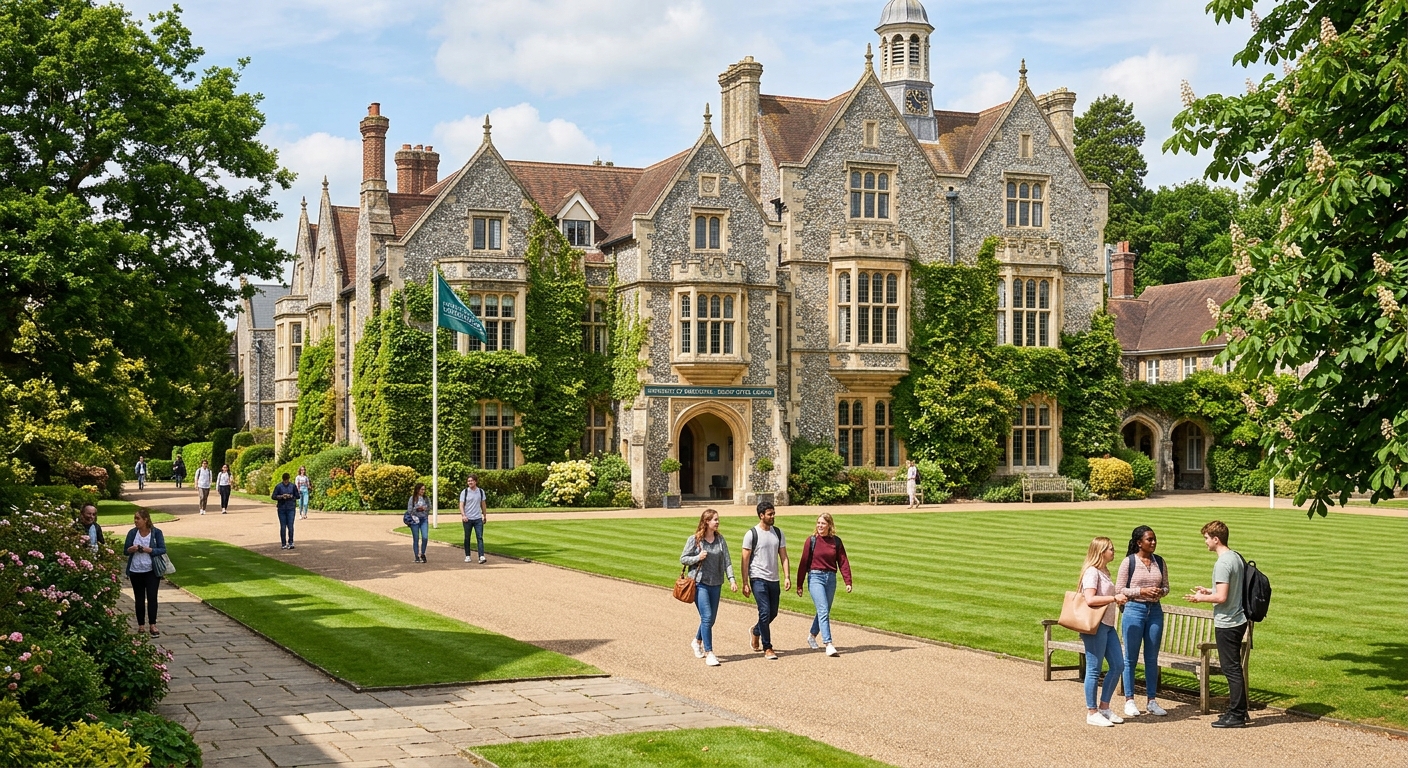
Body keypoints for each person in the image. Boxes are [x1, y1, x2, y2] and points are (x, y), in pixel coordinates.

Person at [1186, 520, 1249, 728]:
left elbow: (1222, 597)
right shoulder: (1235, 557)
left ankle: (1237, 714)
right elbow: (1228, 591)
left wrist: (1199, 598)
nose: (1205, 542)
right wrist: (1208, 591)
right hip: (1238, 619)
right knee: (1234, 668)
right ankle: (1239, 711)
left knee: (1231, 669)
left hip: (1228, 622)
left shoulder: (1222, 563)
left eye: (1206, 538)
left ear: (1216, 539)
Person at [1116, 525, 1170, 718]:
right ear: (1139, 542)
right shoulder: (1128, 562)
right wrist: (1141, 592)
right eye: (1150, 540)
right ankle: (1129, 700)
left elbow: (1166, 587)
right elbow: (1119, 590)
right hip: (1134, 610)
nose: (1154, 542)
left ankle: (1152, 700)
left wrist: (1159, 592)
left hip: (1154, 611)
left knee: (1151, 658)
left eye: (1155, 539)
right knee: (1130, 657)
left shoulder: (1160, 562)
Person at [1079, 536, 1128, 727]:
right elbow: (1090, 599)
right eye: (1111, 549)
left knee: (1118, 665)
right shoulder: (1092, 572)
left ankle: (1104, 707)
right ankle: (1092, 711)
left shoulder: (1105, 571)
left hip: (1107, 625)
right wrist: (1113, 598)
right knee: (1094, 668)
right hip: (1095, 626)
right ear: (1101, 552)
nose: (1113, 552)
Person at [680, 508, 737, 667]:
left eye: (718, 519)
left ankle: (696, 641)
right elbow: (683, 558)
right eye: (715, 520)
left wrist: (732, 579)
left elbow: (727, 561)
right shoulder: (695, 539)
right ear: (706, 522)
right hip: (700, 583)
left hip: (716, 583)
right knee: (707, 617)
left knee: (710, 619)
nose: (718, 522)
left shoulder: (720, 540)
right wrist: (698, 557)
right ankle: (710, 652)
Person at [795, 512, 852, 657]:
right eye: (818, 523)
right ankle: (828, 644)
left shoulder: (836, 542)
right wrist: (799, 584)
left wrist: (848, 581)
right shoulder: (811, 540)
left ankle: (812, 636)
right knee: (823, 609)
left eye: (823, 523)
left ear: (829, 525)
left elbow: (843, 561)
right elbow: (803, 563)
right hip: (815, 577)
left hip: (831, 578)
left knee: (824, 610)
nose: (820, 526)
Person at [741, 500, 789, 660]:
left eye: (773, 513)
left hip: (773, 578)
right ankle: (767, 647)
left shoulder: (779, 533)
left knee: (773, 613)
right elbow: (745, 560)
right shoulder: (751, 534)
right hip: (757, 578)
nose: (773, 516)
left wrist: (787, 576)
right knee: (764, 611)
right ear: (761, 515)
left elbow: (783, 556)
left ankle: (756, 631)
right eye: (770, 514)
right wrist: (745, 582)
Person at [124, 508, 166, 637]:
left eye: (138, 518)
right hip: (136, 569)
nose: (135, 521)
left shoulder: (156, 532)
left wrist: (149, 550)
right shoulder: (132, 533)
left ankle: (152, 624)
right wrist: (131, 549)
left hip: (151, 570)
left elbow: (162, 549)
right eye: (135, 518)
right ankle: (141, 625)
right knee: (139, 598)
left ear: (145, 519)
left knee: (152, 597)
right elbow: (125, 551)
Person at [459, 475, 488, 564]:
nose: (470, 482)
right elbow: (461, 505)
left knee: (479, 537)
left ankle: (481, 556)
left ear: (475, 481)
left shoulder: (481, 491)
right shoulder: (465, 492)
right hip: (468, 519)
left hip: (478, 518)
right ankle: (468, 555)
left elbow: (483, 504)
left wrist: (484, 515)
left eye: (471, 481)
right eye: (468, 481)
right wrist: (463, 515)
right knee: (467, 537)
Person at [272, 473, 299, 550]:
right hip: (282, 508)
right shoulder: (279, 486)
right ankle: (283, 543)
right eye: (285, 480)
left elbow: (297, 496)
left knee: (290, 526)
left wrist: (291, 496)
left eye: (287, 480)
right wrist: (281, 496)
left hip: (290, 507)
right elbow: (273, 496)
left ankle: (291, 542)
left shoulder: (293, 486)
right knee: (283, 526)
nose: (286, 481)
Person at [407, 483, 431, 563]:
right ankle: (416, 556)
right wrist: (417, 509)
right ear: (417, 490)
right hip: (415, 520)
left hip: (424, 519)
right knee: (416, 538)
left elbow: (429, 507)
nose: (423, 491)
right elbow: (409, 510)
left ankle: (423, 553)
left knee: (425, 537)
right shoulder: (412, 498)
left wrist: (425, 509)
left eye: (424, 489)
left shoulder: (426, 498)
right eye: (421, 489)